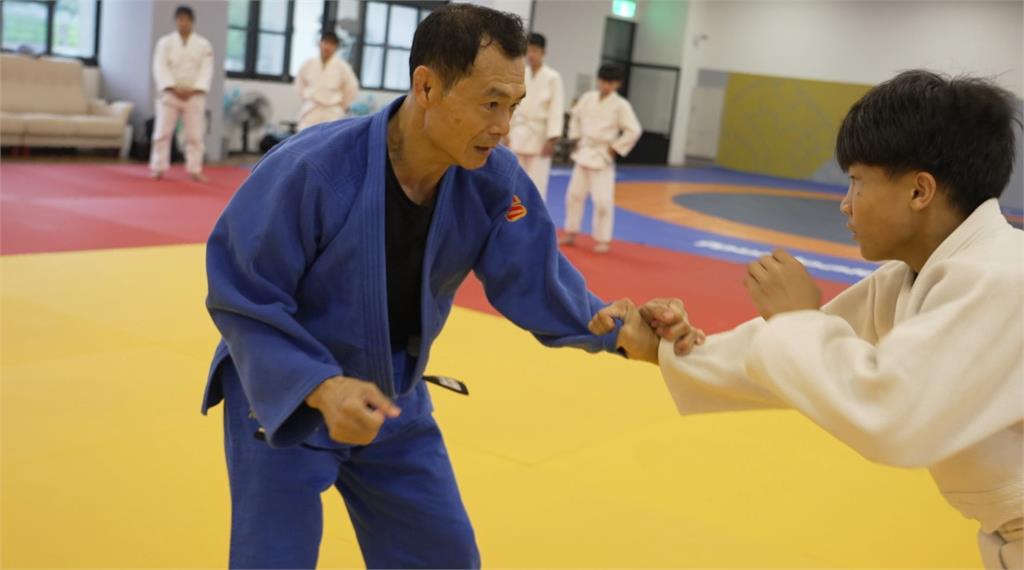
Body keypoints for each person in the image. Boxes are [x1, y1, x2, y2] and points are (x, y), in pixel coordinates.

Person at [203, 5, 691, 568]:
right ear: (427, 86)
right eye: (490, 103)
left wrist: (629, 331)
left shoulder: (493, 180)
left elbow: (539, 280)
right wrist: (320, 386)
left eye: (513, 106)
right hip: (284, 394)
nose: (504, 126)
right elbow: (243, 294)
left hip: (394, 395)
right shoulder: (313, 170)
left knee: (445, 558)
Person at [592, 71, 1024, 569]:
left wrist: (796, 319)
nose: (845, 202)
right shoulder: (912, 277)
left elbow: (890, 416)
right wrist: (666, 348)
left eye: (858, 181)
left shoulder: (1001, 278)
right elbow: (794, 360)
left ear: (919, 191)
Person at [559, 64, 641, 254]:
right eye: (603, 81)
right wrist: (575, 137)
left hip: (603, 155)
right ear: (598, 80)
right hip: (584, 152)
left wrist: (616, 147)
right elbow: (575, 117)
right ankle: (571, 231)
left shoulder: (621, 105)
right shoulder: (588, 98)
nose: (605, 86)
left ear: (617, 84)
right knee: (574, 196)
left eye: (610, 83)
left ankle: (603, 239)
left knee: (603, 201)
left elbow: (634, 130)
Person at [150, 5, 213, 182]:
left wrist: (196, 88)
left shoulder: (203, 45)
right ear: (176, 21)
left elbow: (206, 70)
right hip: (171, 93)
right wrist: (171, 87)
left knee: (195, 136)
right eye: (180, 19)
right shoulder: (165, 43)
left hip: (194, 94)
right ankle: (158, 167)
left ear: (192, 22)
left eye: (186, 20)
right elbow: (160, 67)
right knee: (162, 133)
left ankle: (195, 169)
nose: (183, 23)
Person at [507, 33, 564, 200]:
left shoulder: (553, 77)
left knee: (537, 184)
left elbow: (556, 108)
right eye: (528, 50)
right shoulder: (520, 73)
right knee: (512, 182)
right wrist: (506, 132)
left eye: (535, 51)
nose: (531, 55)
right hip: (517, 132)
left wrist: (552, 139)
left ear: (543, 52)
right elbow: (511, 103)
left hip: (540, 136)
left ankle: (535, 215)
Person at [295, 31, 360, 131]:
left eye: (331, 44)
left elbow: (352, 88)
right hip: (312, 109)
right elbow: (299, 85)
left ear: (336, 47)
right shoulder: (308, 64)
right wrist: (306, 99)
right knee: (305, 137)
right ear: (320, 43)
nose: (327, 47)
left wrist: (341, 106)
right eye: (325, 42)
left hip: (332, 111)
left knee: (332, 137)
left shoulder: (343, 67)